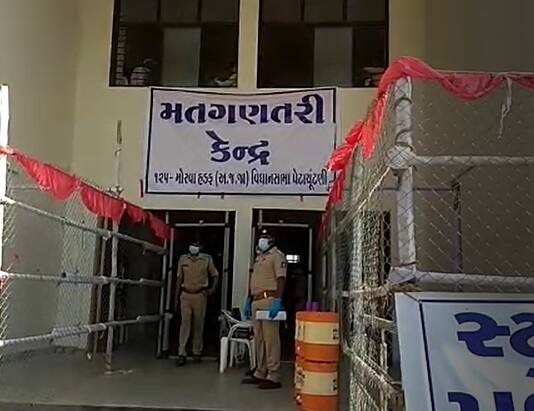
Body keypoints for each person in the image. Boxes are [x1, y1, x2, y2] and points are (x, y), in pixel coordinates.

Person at [242, 230, 287, 389]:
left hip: (269, 300)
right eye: (261, 237)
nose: (262, 240)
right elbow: (254, 279)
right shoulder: (259, 257)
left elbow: (281, 279)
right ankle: (260, 372)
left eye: (265, 237)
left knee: (270, 339)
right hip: (256, 300)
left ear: (272, 240)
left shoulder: (277, 256)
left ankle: (273, 375)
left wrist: (278, 300)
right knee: (259, 338)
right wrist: (249, 299)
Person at [175, 241, 219, 366]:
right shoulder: (183, 259)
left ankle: (196, 351)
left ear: (200, 247)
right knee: (185, 323)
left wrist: (212, 290)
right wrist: (176, 296)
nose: (193, 247)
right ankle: (181, 352)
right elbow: (179, 278)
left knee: (198, 324)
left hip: (200, 295)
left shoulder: (206, 259)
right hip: (185, 294)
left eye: (196, 245)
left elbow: (215, 275)